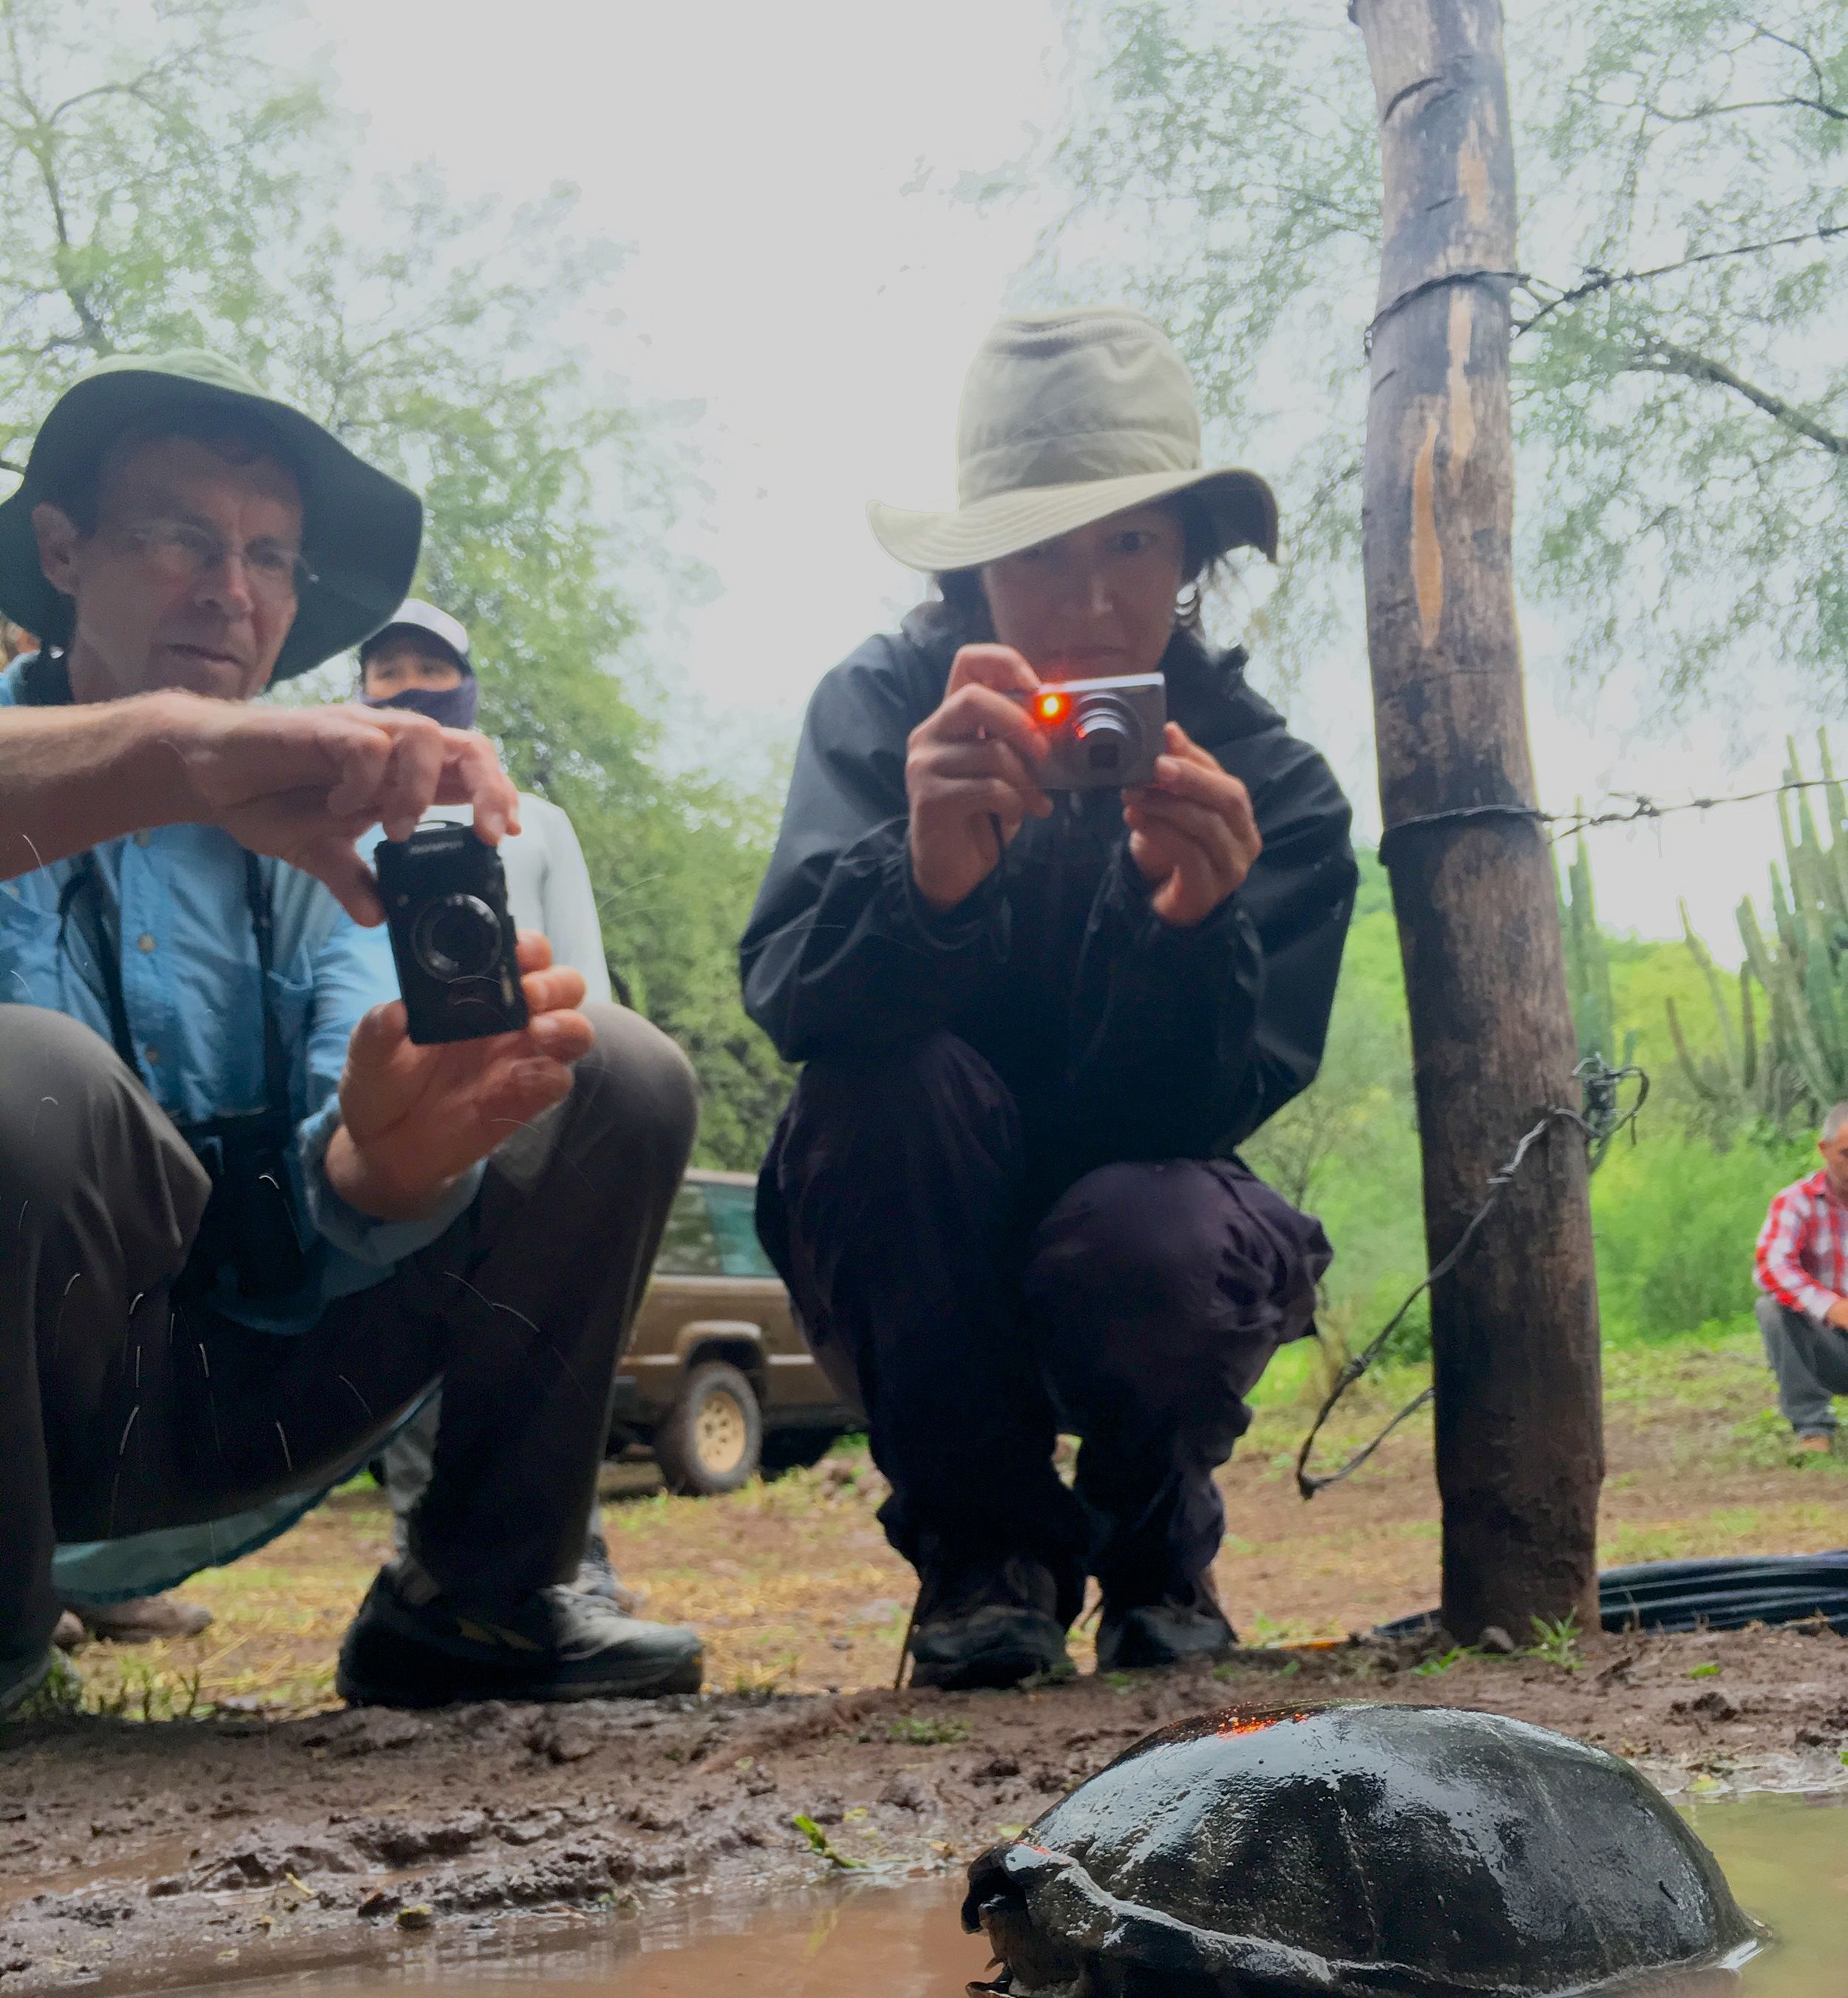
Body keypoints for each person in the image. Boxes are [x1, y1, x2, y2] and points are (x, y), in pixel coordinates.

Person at [0, 347, 704, 1716]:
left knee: (612, 1068)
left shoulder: (317, 816)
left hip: (266, 1385)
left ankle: (478, 1602)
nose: (234, 590)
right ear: (62, 548)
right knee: (31, 1080)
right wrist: (169, 758)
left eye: (271, 556)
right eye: (182, 537)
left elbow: (351, 1167)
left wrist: (388, 1159)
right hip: (39, 1403)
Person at [741, 308, 1355, 1691]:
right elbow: (791, 997)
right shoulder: (883, 711)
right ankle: (985, 1565)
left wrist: (1192, 929)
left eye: (1130, 544)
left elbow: (1214, 1104)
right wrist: (923, 888)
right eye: (1039, 554)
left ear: (1188, 554)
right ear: (975, 570)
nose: (1088, 602)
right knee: (875, 1090)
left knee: (1162, 1220)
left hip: (1140, 1242)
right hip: (912, 1239)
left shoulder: (1273, 786)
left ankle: (1156, 1549)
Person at [353, 598, 628, 1591]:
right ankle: (424, 1579)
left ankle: (571, 1568)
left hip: (530, 1120)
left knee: (534, 1354)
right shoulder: (336, 827)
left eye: (430, 664)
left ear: (466, 679)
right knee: (417, 1364)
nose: (409, 683)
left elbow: (590, 990)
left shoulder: (538, 825)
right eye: (387, 669)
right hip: (396, 1118)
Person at [1753, 1102, 1848, 1453]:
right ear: (1824, 1150)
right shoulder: (1797, 1202)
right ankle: (1813, 1430)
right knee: (1772, 1309)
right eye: (1847, 1154)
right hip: (1828, 1344)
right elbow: (1771, 1267)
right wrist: (1832, 1307)